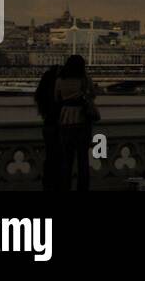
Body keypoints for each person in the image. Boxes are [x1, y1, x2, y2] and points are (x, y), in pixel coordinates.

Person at [53, 55, 98, 191]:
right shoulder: (84, 79)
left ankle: (65, 186)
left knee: (67, 159)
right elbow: (93, 95)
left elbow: (56, 98)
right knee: (83, 160)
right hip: (82, 120)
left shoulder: (60, 80)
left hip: (66, 120)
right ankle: (82, 187)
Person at [33, 65, 62, 191]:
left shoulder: (42, 94)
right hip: (60, 127)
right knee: (61, 159)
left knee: (50, 157)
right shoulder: (59, 91)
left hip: (48, 126)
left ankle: (48, 185)